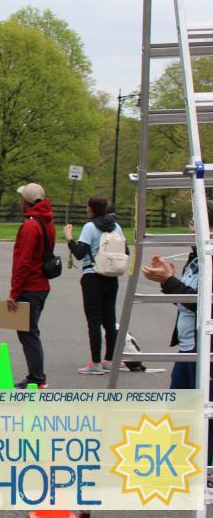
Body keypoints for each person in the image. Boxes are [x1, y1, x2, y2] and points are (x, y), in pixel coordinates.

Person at [141, 201, 213, 482]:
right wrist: (166, 280)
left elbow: (203, 305)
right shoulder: (196, 257)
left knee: (202, 414)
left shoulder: (209, 256)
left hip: (203, 348)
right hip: (187, 346)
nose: (191, 228)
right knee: (178, 410)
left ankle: (205, 472)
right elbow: (186, 300)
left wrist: (170, 281)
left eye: (196, 223)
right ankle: (180, 465)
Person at [64, 196, 124, 375]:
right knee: (109, 320)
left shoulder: (90, 227)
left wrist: (69, 238)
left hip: (93, 275)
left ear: (91, 209)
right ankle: (109, 360)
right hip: (111, 276)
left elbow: (80, 253)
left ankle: (96, 363)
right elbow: (125, 249)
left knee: (94, 321)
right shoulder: (116, 226)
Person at [8, 183, 55, 389]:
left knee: (28, 333)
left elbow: (24, 261)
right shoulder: (47, 222)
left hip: (30, 286)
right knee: (29, 332)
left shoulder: (30, 226)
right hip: (41, 284)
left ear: (25, 201)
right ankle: (36, 376)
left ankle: (37, 378)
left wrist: (14, 292)